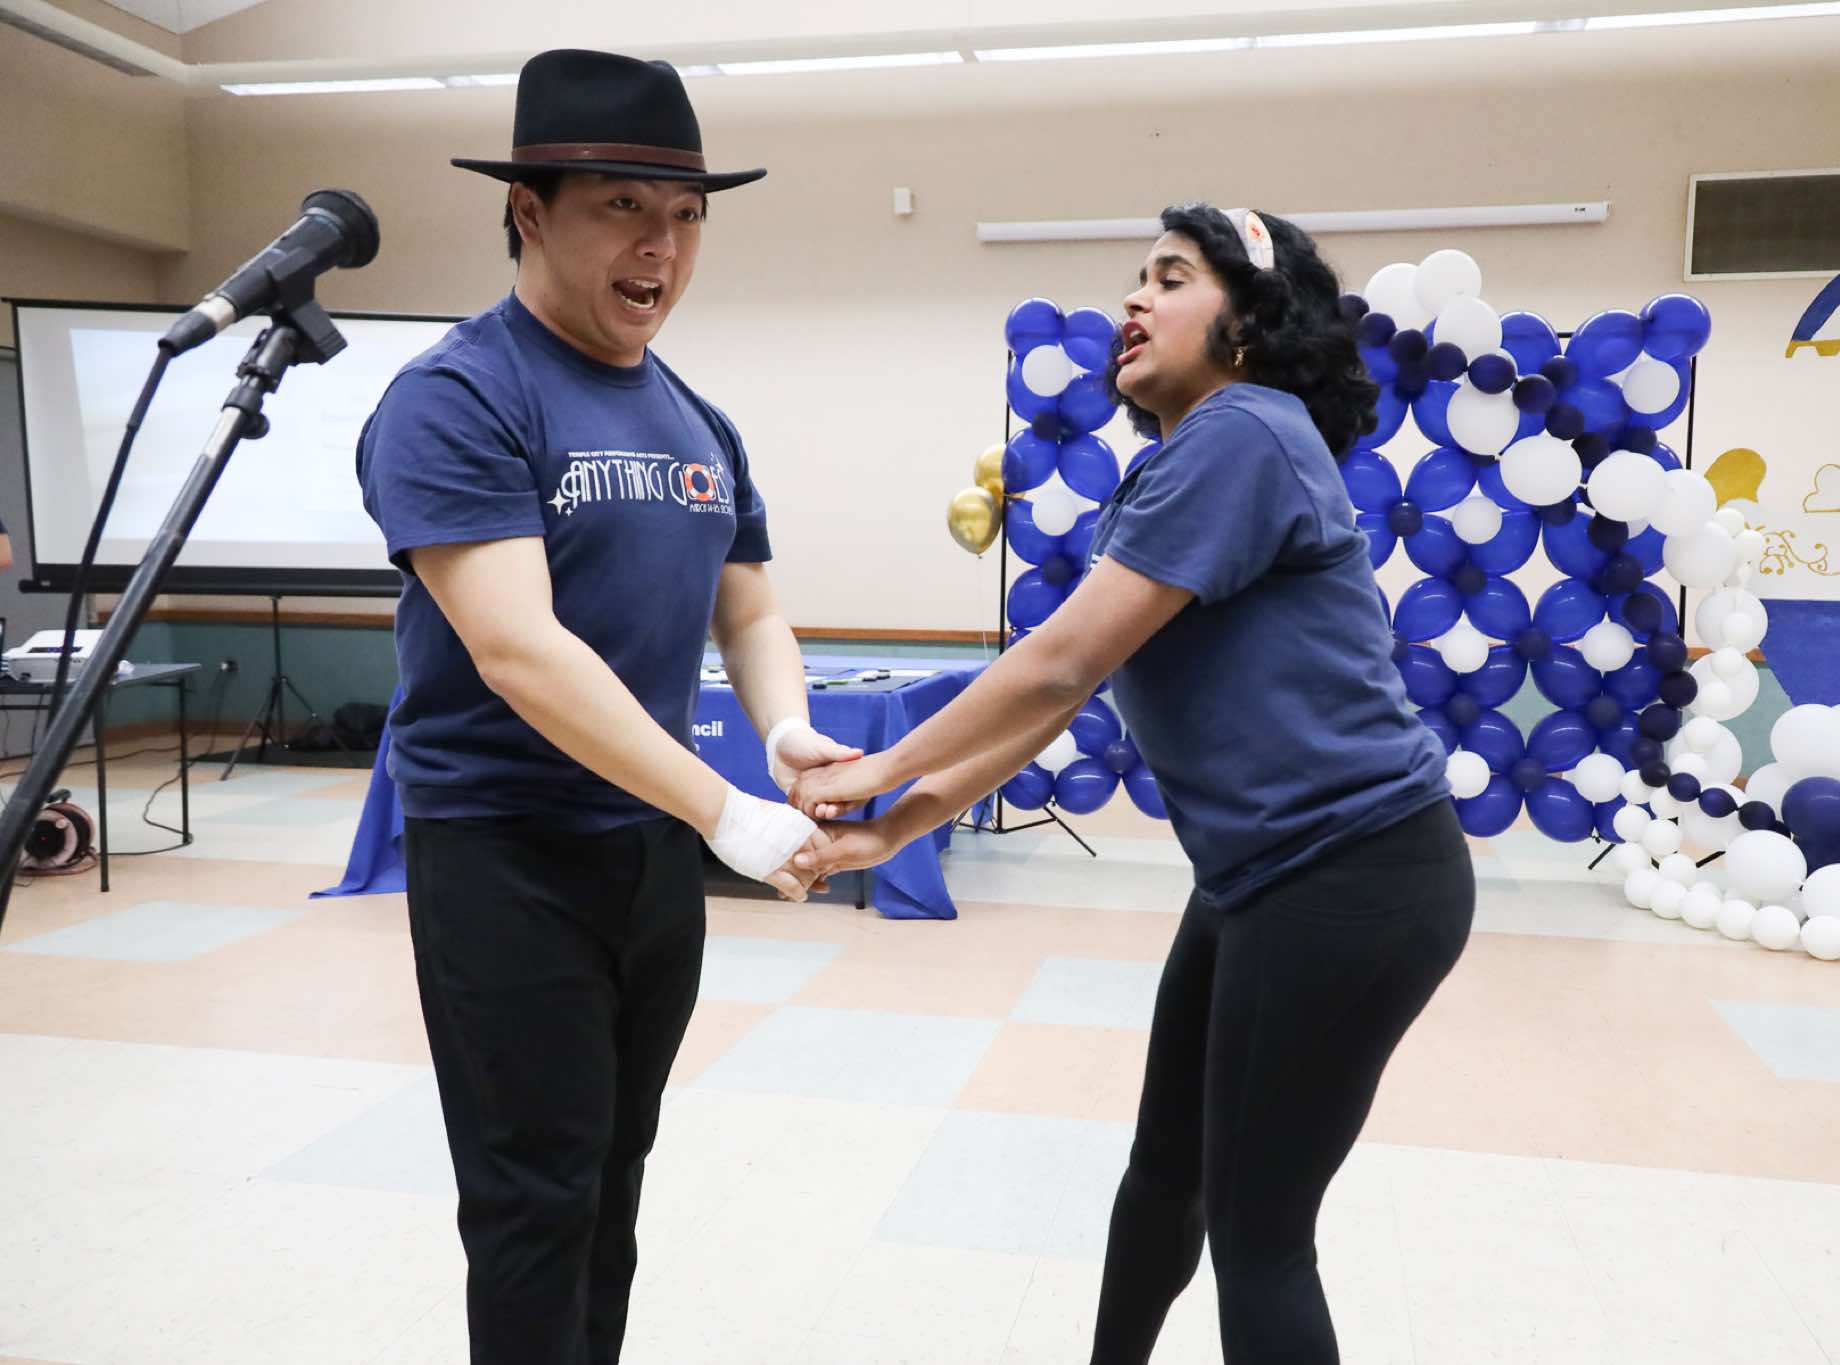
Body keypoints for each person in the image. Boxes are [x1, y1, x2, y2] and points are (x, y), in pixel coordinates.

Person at [790, 204, 1476, 1365]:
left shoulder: (1243, 430)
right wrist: (895, 824)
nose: (1132, 300)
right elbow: (1062, 696)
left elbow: (1054, 661)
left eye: (1169, 277)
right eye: (1137, 278)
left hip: (1348, 872)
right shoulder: (1186, 461)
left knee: (1260, 1236)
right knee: (1165, 1175)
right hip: (1262, 879)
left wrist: (875, 768)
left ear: (1249, 323)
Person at [356, 48, 849, 1365]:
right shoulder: (460, 395)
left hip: (648, 856)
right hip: (507, 853)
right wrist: (723, 808)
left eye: (685, 214)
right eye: (623, 206)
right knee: (536, 1197)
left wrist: (784, 728)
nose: (662, 246)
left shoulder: (697, 420)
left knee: (613, 1182)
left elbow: (749, 607)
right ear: (529, 209)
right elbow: (517, 649)